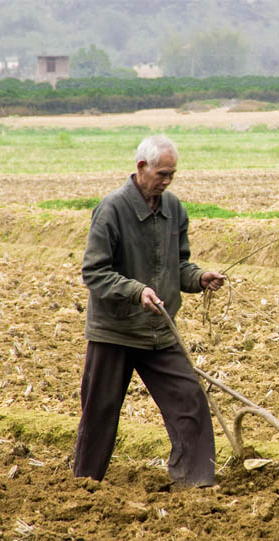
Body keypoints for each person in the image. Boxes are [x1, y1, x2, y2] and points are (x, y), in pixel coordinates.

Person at [73, 135, 227, 487]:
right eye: (162, 173)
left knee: (189, 400)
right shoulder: (111, 209)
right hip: (115, 330)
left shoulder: (174, 209)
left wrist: (200, 277)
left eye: (172, 174)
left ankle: (196, 480)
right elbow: (94, 272)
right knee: (100, 412)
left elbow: (177, 266)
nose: (167, 181)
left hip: (159, 329)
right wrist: (135, 290)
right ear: (141, 167)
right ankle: (84, 483)